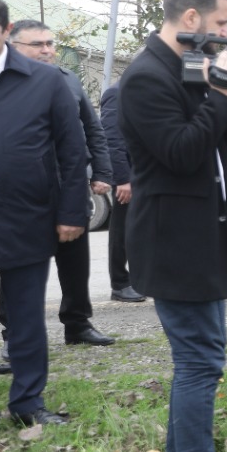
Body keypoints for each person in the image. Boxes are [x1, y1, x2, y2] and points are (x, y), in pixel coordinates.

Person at [119, 0, 227, 452]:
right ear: (190, 18)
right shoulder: (144, 78)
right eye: (223, 22)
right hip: (173, 238)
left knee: (197, 354)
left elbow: (212, 141)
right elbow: (182, 153)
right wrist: (222, 96)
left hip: (200, 231)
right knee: (201, 359)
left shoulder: (180, 67)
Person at [0, 0, 88, 435]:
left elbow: (72, 152)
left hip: (29, 218)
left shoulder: (44, 80)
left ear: (5, 31)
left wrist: (73, 211)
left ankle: (28, 403)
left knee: (26, 319)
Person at [6, 19, 117, 346]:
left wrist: (102, 172)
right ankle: (15, 336)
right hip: (24, 189)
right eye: (37, 45)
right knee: (20, 270)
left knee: (75, 263)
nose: (47, 50)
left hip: (69, 184)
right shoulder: (2, 82)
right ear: (14, 47)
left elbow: (93, 129)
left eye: (49, 43)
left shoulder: (67, 80)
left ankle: (77, 324)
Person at [99, 83, 145, 302]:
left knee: (143, 231)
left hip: (148, 174)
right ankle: (120, 283)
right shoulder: (116, 93)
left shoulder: (147, 91)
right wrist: (123, 180)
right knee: (123, 230)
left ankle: (140, 280)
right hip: (130, 176)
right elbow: (112, 140)